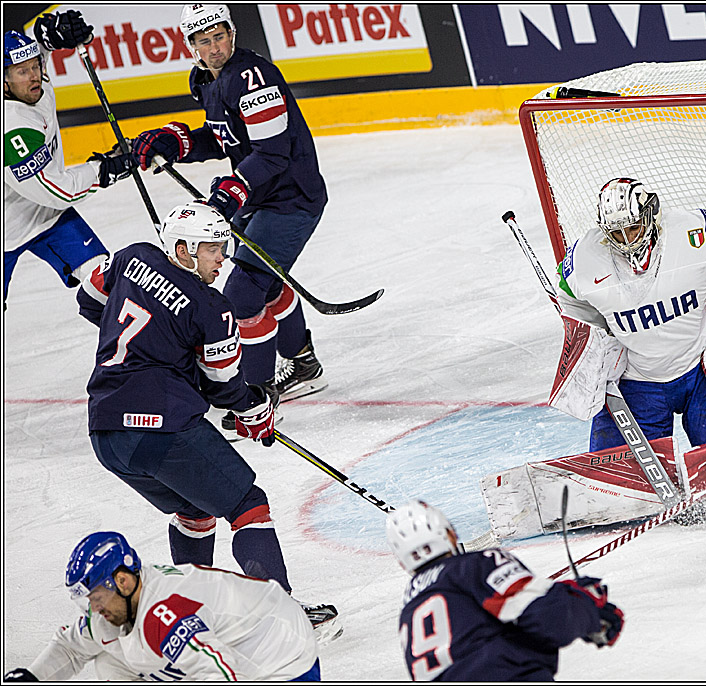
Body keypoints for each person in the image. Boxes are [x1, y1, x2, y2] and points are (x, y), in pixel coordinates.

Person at [75, 201, 340, 637]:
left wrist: (156, 337)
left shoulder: (131, 256)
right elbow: (223, 388)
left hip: (106, 431)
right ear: (183, 249)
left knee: (195, 510)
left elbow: (89, 300)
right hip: (162, 425)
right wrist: (255, 409)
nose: (223, 258)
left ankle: (189, 613)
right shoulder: (212, 309)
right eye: (213, 249)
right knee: (247, 505)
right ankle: (281, 618)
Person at [129, 3, 328, 424]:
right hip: (260, 198)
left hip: (291, 198)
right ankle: (304, 364)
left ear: (232, 33)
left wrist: (233, 189)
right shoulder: (205, 80)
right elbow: (226, 138)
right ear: (192, 46)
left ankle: (254, 398)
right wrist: (178, 143)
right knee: (264, 284)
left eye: (220, 36)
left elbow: (272, 152)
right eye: (205, 40)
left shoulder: (252, 78)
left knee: (242, 291)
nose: (215, 46)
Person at [556, 177, 706, 457]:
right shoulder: (584, 259)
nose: (627, 240)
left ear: (650, 214)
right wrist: (597, 339)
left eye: (633, 228)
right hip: (636, 381)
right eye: (616, 234)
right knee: (619, 477)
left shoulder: (694, 230)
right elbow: (568, 297)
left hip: (703, 371)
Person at [2, 531, 320, 681]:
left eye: (96, 598)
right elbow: (72, 647)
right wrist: (31, 676)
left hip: (279, 649)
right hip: (236, 636)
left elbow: (216, 672)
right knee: (111, 661)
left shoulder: (163, 614)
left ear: (123, 581)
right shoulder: (114, 605)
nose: (93, 608)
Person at [385, 500, 625, 681]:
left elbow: (476, 641)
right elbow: (550, 620)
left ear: (401, 560)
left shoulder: (410, 605)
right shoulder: (475, 566)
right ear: (449, 533)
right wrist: (586, 605)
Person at [3, 13, 134, 307]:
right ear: (4, 83)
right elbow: (58, 190)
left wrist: (48, 39)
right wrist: (103, 169)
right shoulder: (11, 127)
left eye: (35, 66)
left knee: (108, 288)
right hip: (8, 230)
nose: (35, 75)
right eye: (23, 72)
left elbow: (33, 61)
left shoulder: (29, 87)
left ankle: (133, 349)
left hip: (47, 216)